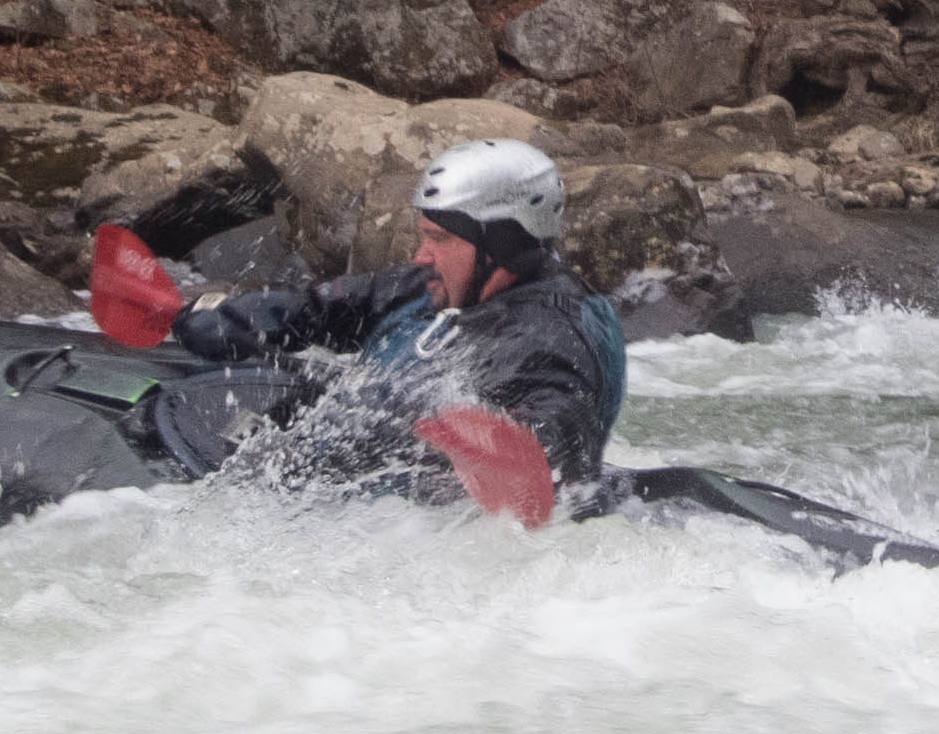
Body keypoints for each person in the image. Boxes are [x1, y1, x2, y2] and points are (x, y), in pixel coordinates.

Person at [169, 141, 625, 500]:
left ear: (501, 244)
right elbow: (323, 308)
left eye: (439, 238)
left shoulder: (553, 335)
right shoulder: (439, 287)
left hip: (396, 527)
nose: (421, 255)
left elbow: (557, 429)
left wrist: (517, 446)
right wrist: (226, 316)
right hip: (328, 479)